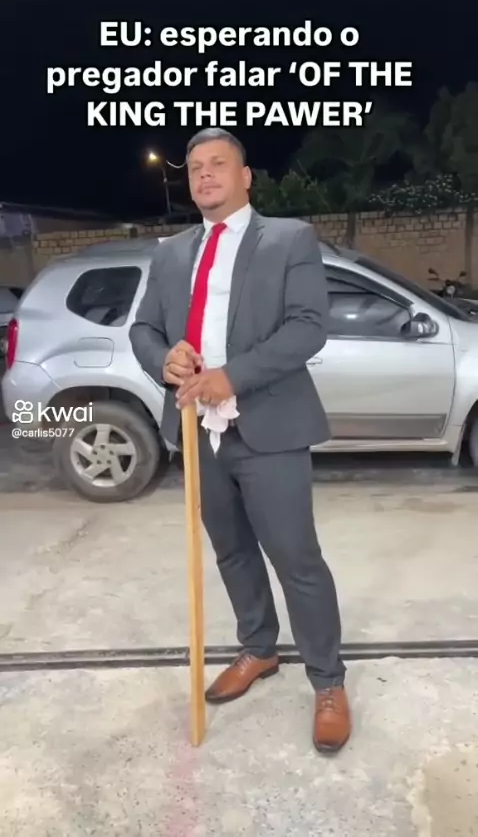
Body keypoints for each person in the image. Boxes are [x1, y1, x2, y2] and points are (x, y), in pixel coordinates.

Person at [129, 127, 351, 753]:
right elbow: (143, 329)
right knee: (231, 551)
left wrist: (233, 376)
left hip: (269, 424)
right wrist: (164, 360)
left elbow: (308, 327)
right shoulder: (171, 253)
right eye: (195, 166)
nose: (204, 174)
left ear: (245, 176)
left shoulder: (288, 239)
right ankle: (259, 647)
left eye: (218, 164)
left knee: (296, 558)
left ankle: (328, 682)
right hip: (198, 430)